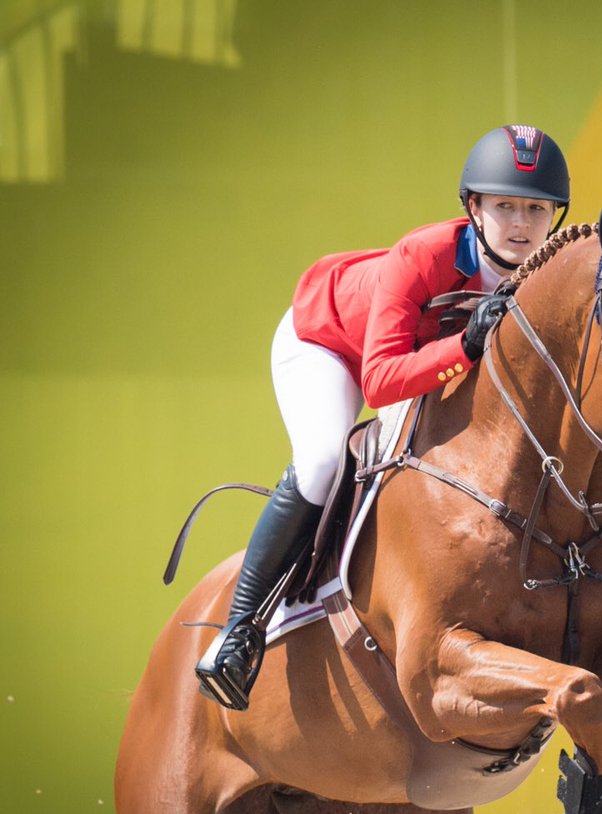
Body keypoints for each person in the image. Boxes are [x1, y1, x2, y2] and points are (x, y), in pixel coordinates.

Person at [196, 125, 570, 710]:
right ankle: (238, 633)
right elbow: (379, 380)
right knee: (324, 456)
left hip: (418, 363)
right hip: (328, 344)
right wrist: (466, 347)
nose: (521, 224)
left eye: (535, 209)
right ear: (473, 208)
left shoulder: (547, 275)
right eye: (504, 206)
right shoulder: (423, 257)